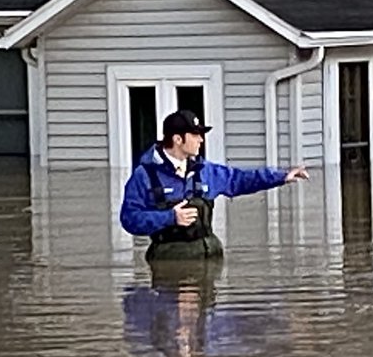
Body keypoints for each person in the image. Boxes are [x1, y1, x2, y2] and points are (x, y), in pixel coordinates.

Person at [119, 109, 309, 261]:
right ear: (178, 139)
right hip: (168, 265)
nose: (201, 140)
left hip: (209, 260)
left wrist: (281, 176)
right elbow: (129, 219)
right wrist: (169, 217)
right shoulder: (144, 176)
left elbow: (240, 179)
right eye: (195, 135)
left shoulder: (205, 170)